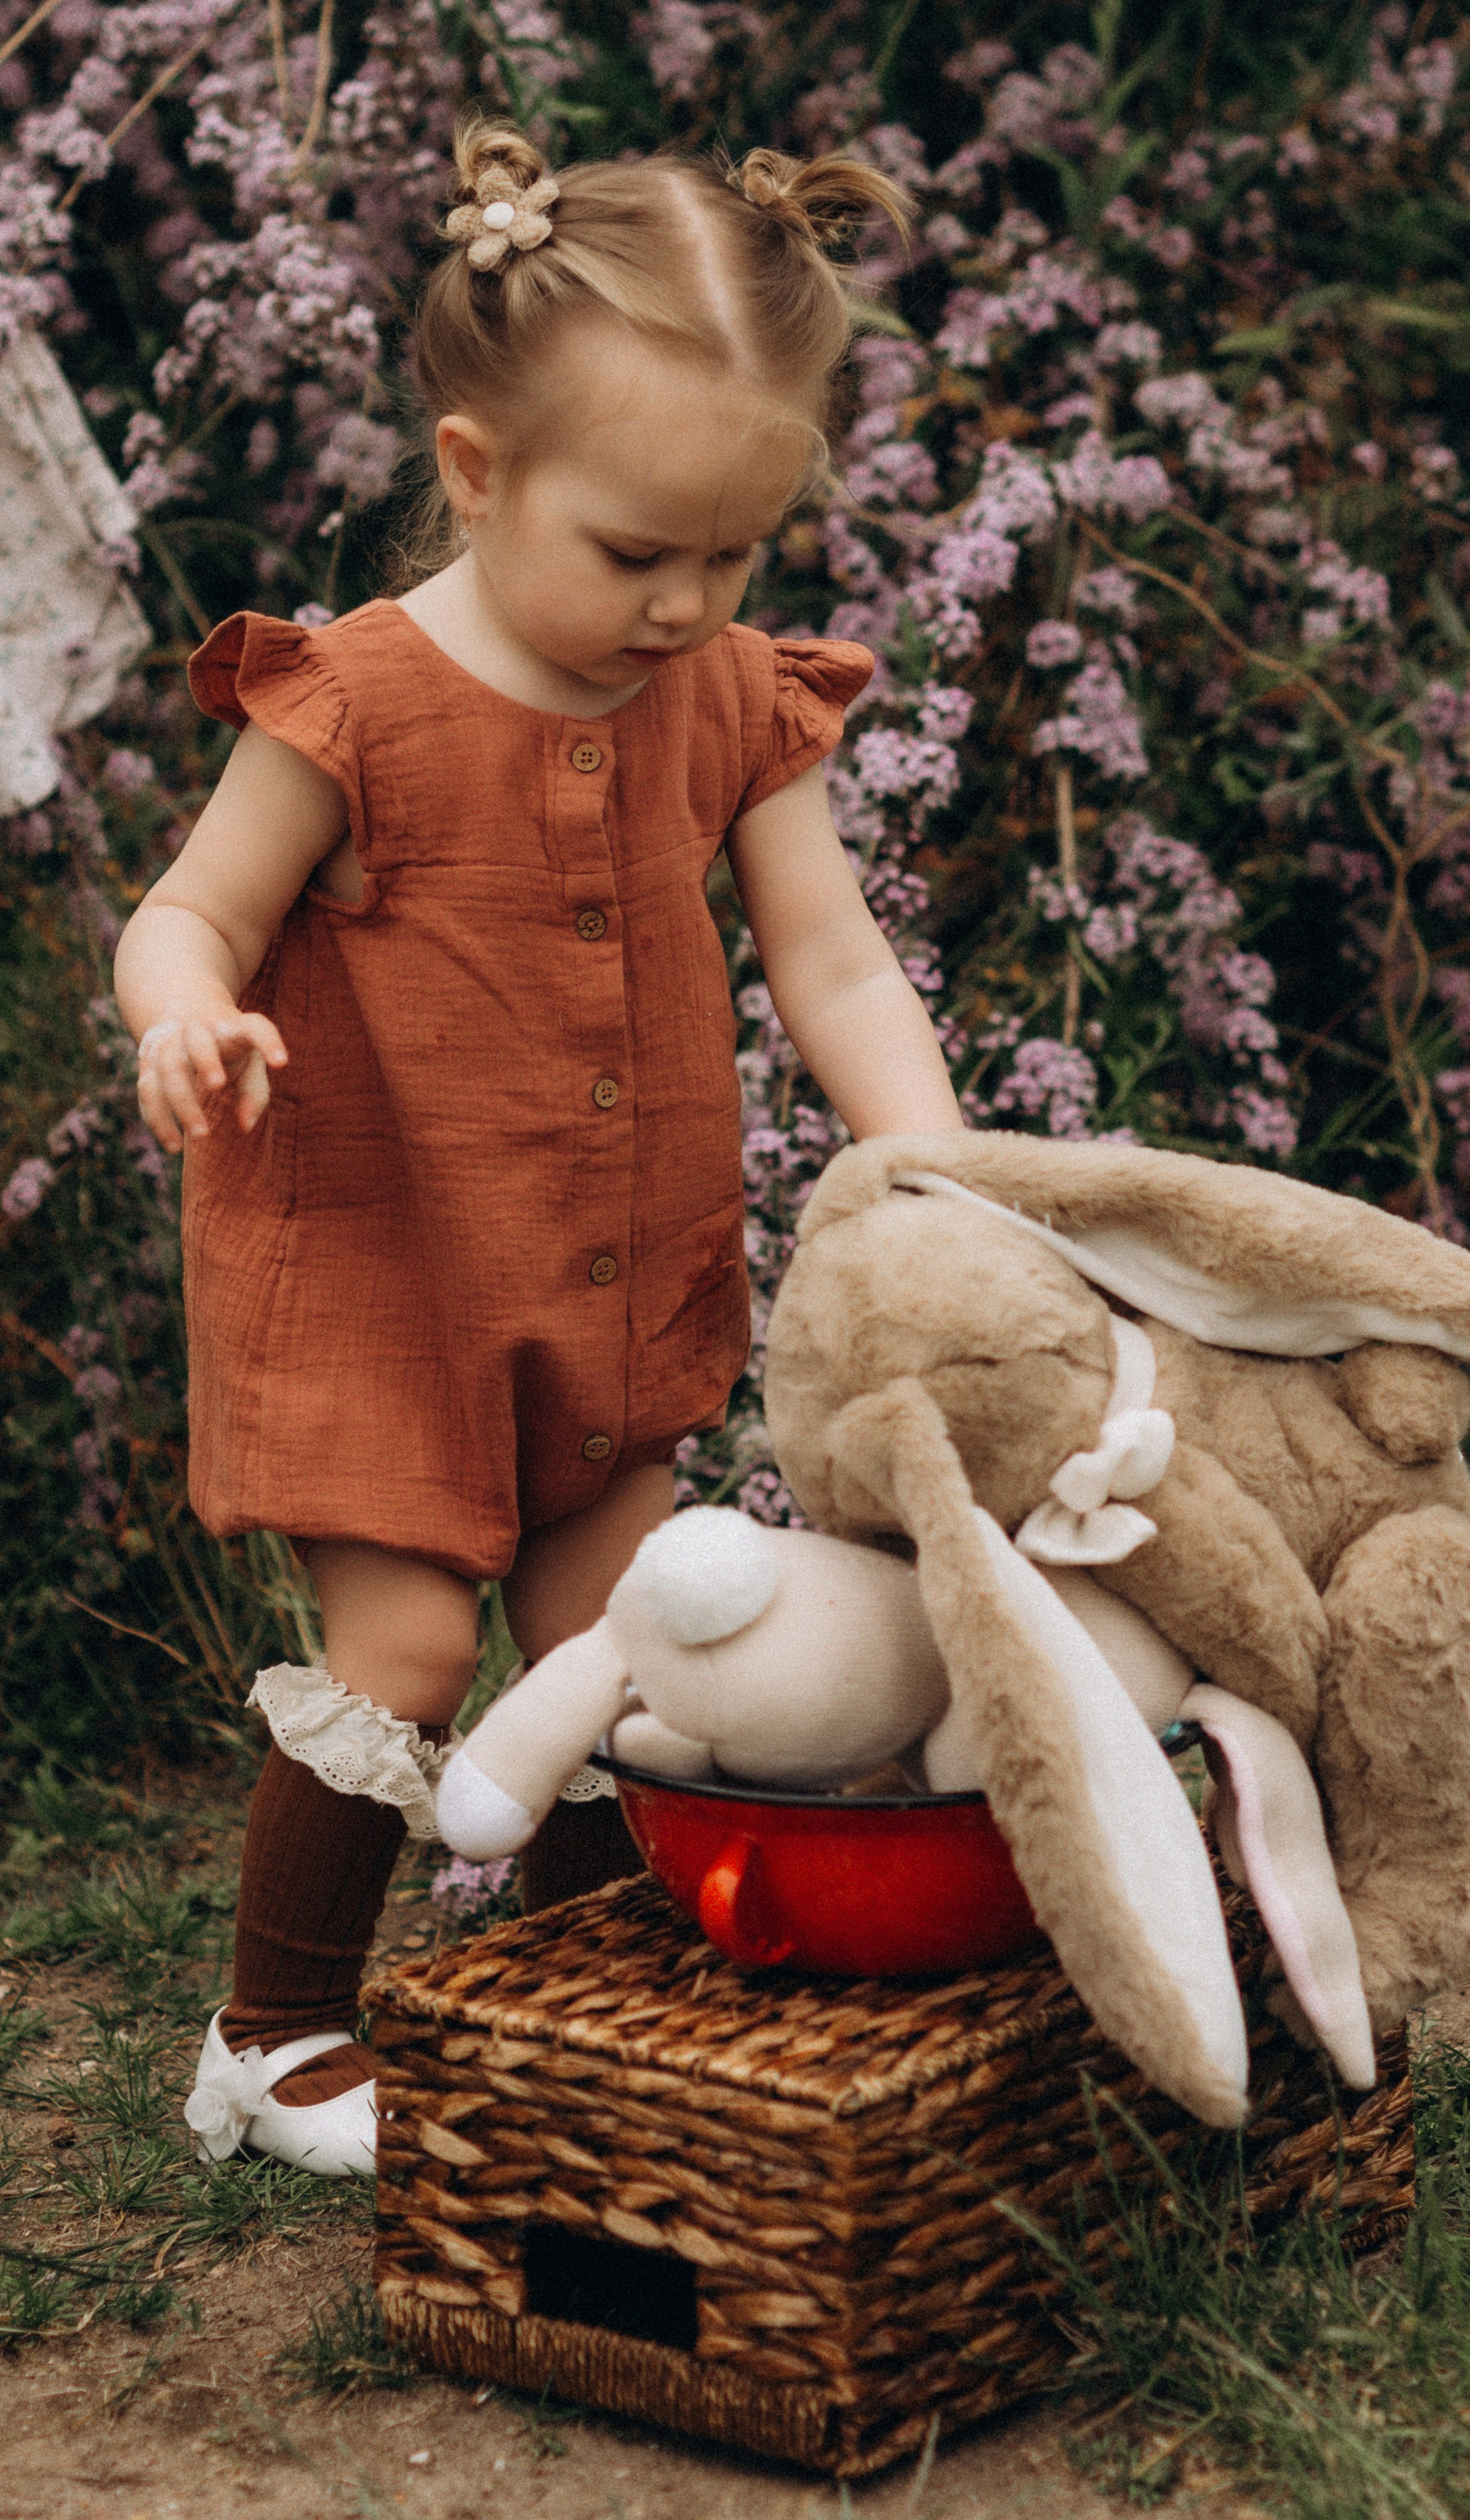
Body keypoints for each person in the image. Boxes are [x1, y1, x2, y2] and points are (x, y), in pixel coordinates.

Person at [113, 122, 965, 2178]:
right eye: (635, 552)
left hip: (607, 1261)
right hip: (384, 1265)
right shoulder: (355, 704)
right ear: (480, 472)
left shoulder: (726, 697)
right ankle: (275, 2030)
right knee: (408, 1649)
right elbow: (189, 910)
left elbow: (830, 958)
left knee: (629, 1645)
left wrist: (931, 1152)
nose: (684, 604)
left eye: (734, 556)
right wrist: (185, 1017)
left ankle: (601, 1998)